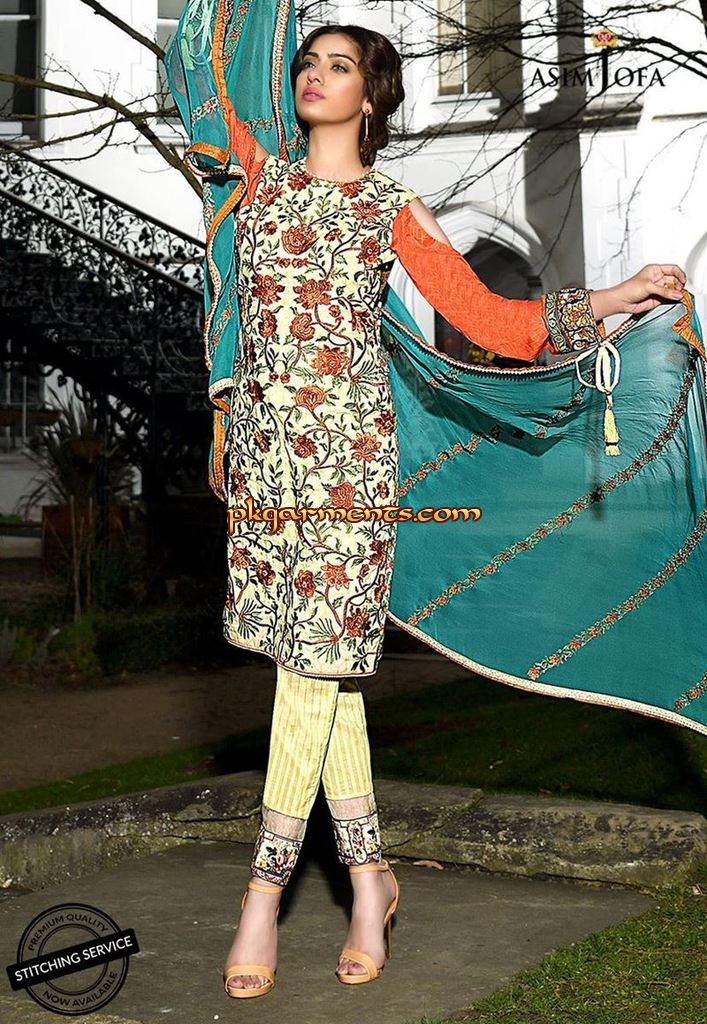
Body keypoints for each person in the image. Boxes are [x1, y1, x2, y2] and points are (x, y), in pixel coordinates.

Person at [166, 4, 697, 1001]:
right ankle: (369, 880)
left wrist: (611, 297)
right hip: (268, 468)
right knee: (318, 673)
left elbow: (491, 320)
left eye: (339, 66)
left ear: (370, 99)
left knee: (307, 673)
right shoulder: (256, 181)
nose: (314, 74)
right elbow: (206, 50)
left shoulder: (389, 209)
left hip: (350, 471)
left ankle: (261, 896)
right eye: (308, 62)